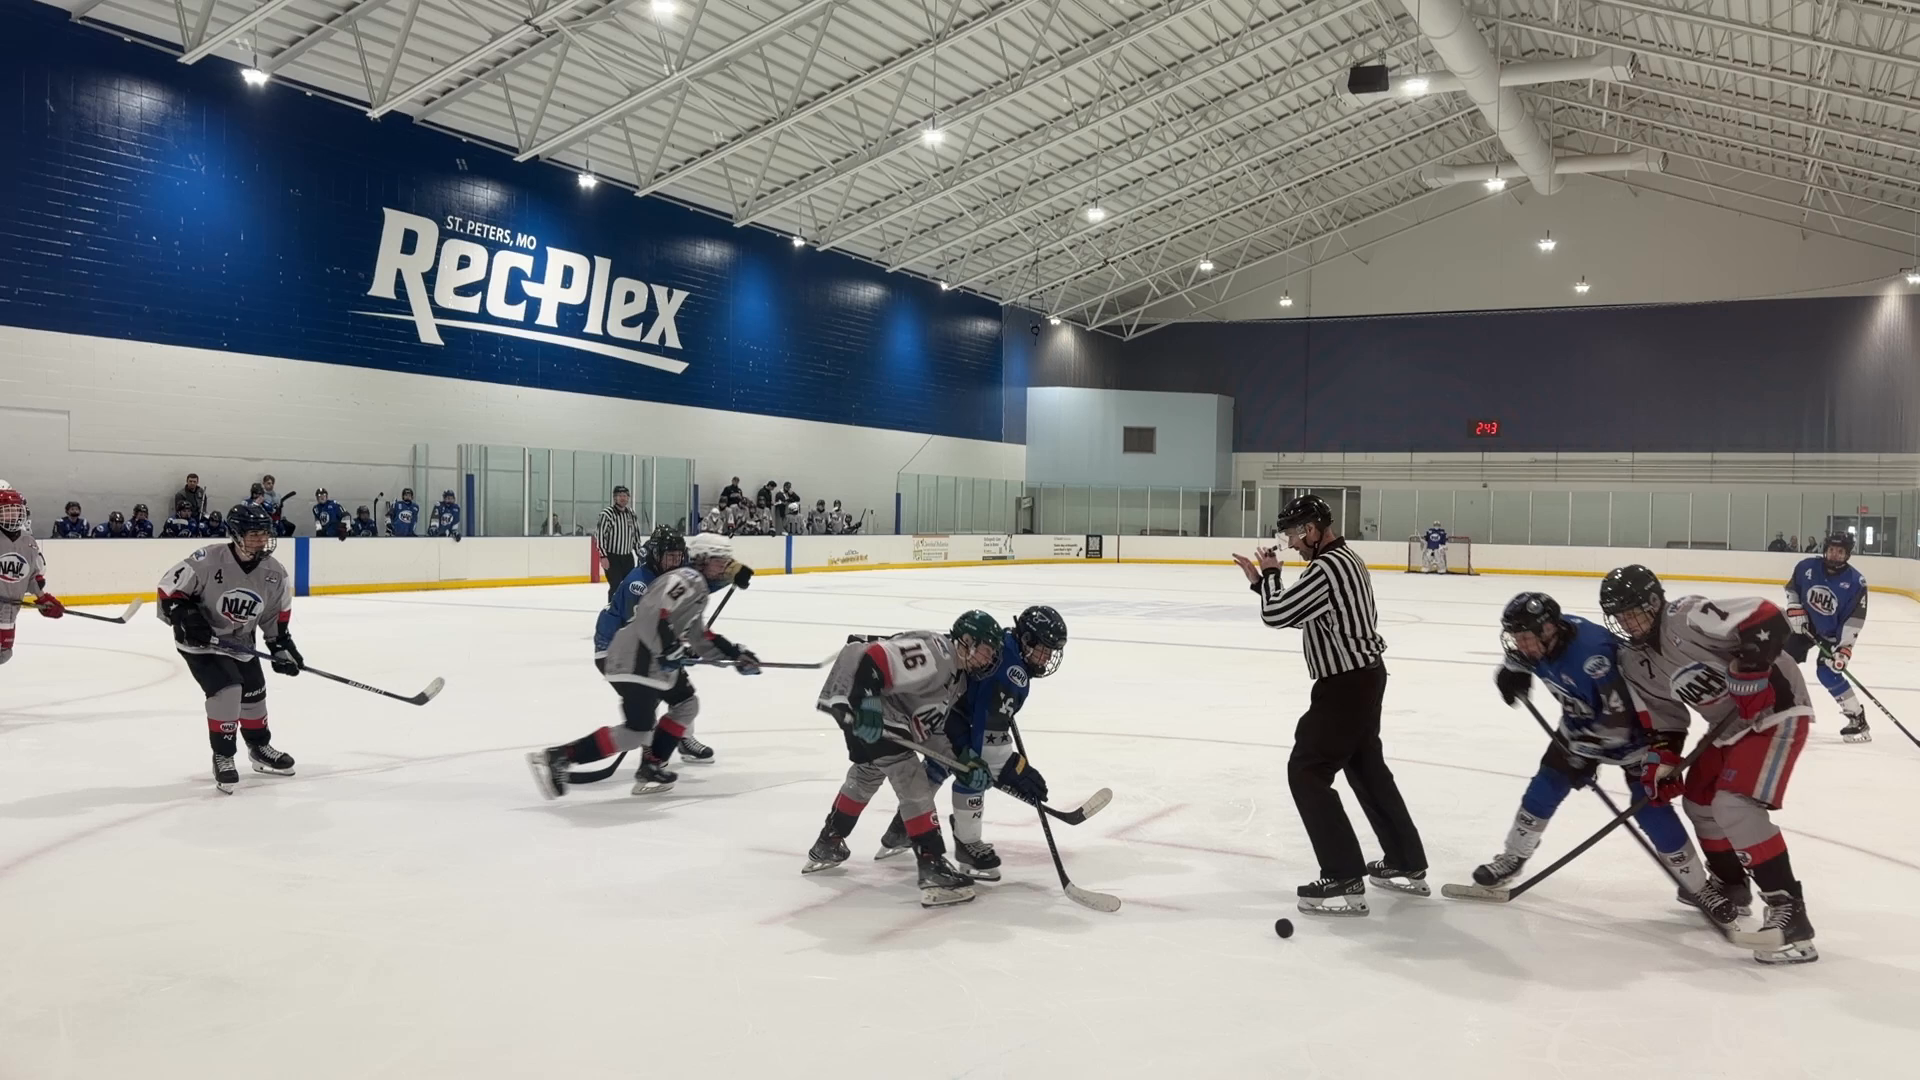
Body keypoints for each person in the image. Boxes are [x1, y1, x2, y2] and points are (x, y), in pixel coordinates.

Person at [1601, 565, 1819, 964]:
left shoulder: (1687, 614)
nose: (1628, 624)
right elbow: (1668, 719)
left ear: (1654, 602)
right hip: (1731, 725)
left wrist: (1751, 668)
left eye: (1634, 611)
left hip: (1777, 710)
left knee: (1733, 805)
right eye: (1620, 616)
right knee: (1699, 801)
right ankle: (1732, 886)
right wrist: (1663, 760)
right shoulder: (1636, 661)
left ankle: (1790, 914)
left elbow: (1767, 617)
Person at [1233, 494, 1427, 917]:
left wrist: (1267, 578)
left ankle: (1342, 873)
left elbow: (1277, 614)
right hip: (1364, 678)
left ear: (1311, 529)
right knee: (1366, 769)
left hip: (1345, 686)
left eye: (1293, 535)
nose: (1292, 545)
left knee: (1306, 771)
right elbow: (1305, 614)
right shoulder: (1348, 560)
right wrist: (1261, 584)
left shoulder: (1326, 568)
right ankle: (1405, 860)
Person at [1475, 593, 1713, 911]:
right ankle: (1513, 857)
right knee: (1544, 788)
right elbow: (1524, 658)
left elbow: (1618, 720)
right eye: (1516, 638)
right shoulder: (1544, 640)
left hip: (1638, 736)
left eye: (1526, 638)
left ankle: (1699, 887)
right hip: (1580, 727)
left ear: (1548, 631)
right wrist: (1512, 669)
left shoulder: (1593, 656)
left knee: (1649, 807)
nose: (1521, 645)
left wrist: (1583, 755)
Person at [527, 532, 758, 798]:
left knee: (684, 705)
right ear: (702, 560)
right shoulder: (685, 579)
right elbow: (653, 613)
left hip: (647, 662)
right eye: (721, 562)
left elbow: (699, 635)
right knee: (639, 730)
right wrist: (669, 647)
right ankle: (560, 756)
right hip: (635, 659)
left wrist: (735, 654)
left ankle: (651, 763)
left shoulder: (697, 587)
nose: (726, 568)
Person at [801, 611, 1004, 907]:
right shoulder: (938, 653)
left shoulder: (957, 679)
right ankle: (932, 867)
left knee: (867, 774)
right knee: (913, 783)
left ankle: (828, 842)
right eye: (988, 650)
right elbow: (875, 658)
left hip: (883, 716)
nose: (990, 659)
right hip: (870, 709)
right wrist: (867, 700)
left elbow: (927, 730)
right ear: (968, 641)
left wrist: (960, 762)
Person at [873, 606, 1067, 879]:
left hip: (946, 707)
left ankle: (901, 829)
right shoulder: (1012, 673)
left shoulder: (1008, 643)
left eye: (1051, 652)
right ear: (1026, 641)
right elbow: (984, 733)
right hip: (942, 714)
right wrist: (1012, 766)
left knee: (941, 766)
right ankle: (967, 843)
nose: (1047, 659)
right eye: (1043, 650)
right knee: (974, 771)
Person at [156, 503, 303, 793]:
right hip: (202, 643)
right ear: (235, 535)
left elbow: (276, 617)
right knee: (228, 690)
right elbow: (168, 591)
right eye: (253, 535)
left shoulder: (275, 573)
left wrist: (280, 647)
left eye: (265, 534)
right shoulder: (207, 560)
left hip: (239, 643)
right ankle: (223, 755)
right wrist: (186, 616)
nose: (261, 541)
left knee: (254, 694)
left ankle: (260, 749)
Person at [1782, 533, 1869, 742]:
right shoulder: (1806, 567)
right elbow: (1792, 589)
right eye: (1831, 549)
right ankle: (1775, 710)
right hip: (1805, 626)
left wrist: (1844, 649)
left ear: (1848, 554)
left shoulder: (1856, 582)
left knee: (1828, 673)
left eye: (1840, 551)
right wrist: (1795, 609)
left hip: (1832, 634)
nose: (1834, 555)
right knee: (1781, 662)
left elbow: (1854, 620)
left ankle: (1857, 719)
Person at [0, 488, 63, 665]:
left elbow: (31, 576)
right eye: (6, 511)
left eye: (15, 510)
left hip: (10, 610)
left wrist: (43, 599)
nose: (12, 515)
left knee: (4, 654)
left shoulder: (29, 542)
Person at [592, 485, 643, 600]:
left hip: (627, 557)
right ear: (615, 498)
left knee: (630, 585)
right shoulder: (607, 514)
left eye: (625, 496)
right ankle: (612, 611)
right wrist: (603, 556)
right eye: (620, 496)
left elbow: (635, 534)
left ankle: (627, 610)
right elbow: (600, 536)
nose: (623, 498)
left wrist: (640, 553)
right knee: (615, 585)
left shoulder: (631, 513)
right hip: (612, 557)